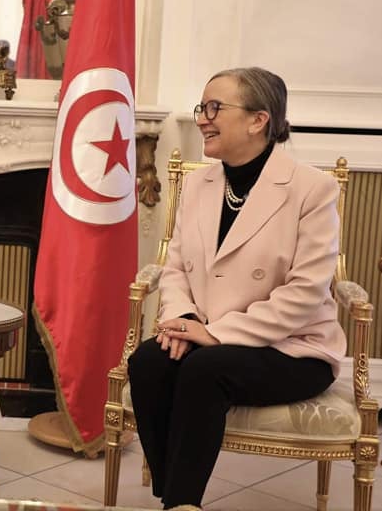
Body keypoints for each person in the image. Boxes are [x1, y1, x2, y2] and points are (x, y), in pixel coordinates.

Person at [126, 67, 346, 510]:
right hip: (206, 332)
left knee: (203, 370)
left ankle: (180, 502)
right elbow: (176, 267)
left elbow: (305, 292)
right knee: (147, 362)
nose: (202, 119)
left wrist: (215, 333)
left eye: (214, 108)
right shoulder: (198, 184)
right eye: (201, 108)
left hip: (292, 347)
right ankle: (174, 496)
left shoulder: (312, 189)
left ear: (258, 120)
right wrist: (185, 318)